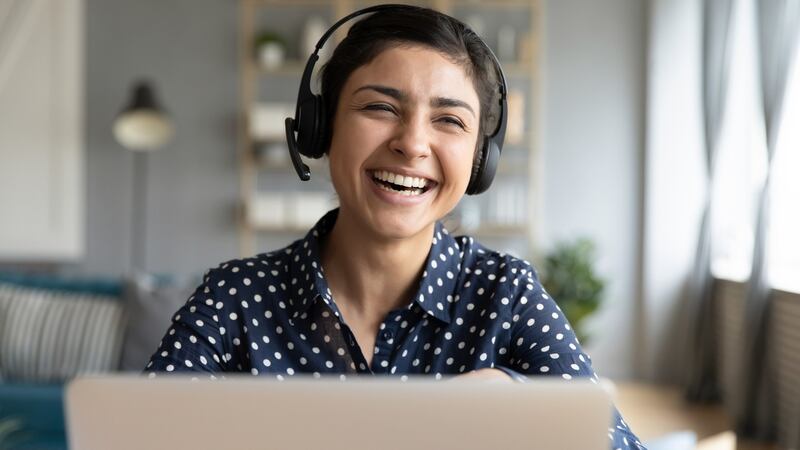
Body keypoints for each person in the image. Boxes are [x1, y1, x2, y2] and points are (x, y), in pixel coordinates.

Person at [145, 5, 646, 449]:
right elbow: (141, 431)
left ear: (479, 159)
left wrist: (520, 401)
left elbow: (616, 442)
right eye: (380, 107)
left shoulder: (507, 295)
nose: (412, 144)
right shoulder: (236, 295)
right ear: (321, 127)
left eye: (449, 120)